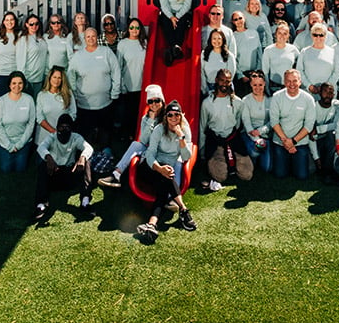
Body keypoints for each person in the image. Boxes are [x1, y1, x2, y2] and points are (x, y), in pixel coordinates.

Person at [136, 101, 197, 243]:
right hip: (150, 166)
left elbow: (186, 156)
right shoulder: (159, 129)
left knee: (164, 186)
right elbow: (150, 153)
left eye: (177, 115)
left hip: (166, 170)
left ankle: (151, 224)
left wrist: (181, 137)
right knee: (167, 176)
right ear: (166, 117)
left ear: (181, 116)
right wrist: (159, 168)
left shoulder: (184, 130)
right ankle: (183, 210)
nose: (174, 118)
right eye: (170, 115)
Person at [100, 83, 166, 189]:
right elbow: (143, 140)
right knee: (136, 144)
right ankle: (116, 174)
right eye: (150, 101)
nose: (154, 104)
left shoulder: (169, 116)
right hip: (150, 148)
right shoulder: (146, 118)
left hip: (164, 150)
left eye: (157, 100)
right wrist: (151, 121)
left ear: (162, 101)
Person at [200, 69, 254, 190]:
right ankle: (221, 164)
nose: (224, 84)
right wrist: (202, 152)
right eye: (222, 80)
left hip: (233, 139)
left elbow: (239, 123)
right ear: (216, 81)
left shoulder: (237, 102)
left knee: (247, 175)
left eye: (228, 81)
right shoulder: (207, 103)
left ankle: (234, 164)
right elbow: (203, 127)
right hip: (215, 140)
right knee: (220, 176)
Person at [67, 27, 120, 150]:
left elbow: (116, 71)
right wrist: (74, 93)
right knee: (86, 134)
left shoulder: (106, 52)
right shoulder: (78, 56)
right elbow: (71, 76)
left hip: (105, 102)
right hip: (84, 104)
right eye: (88, 36)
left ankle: (106, 152)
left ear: (97, 37)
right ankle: (86, 155)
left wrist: (115, 92)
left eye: (93, 36)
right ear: (84, 39)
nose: (91, 39)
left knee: (105, 131)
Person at [270, 69, 317, 179]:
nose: (292, 84)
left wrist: (293, 141)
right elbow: (274, 122)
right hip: (281, 141)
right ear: (284, 82)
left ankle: (302, 158)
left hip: (299, 142)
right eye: (288, 81)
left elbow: (309, 125)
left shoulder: (308, 99)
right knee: (280, 174)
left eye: (295, 81)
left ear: (300, 82)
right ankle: (289, 159)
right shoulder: (277, 96)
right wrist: (286, 142)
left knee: (302, 176)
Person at [0, 71, 36, 173]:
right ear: (9, 84)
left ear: (24, 84)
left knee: (20, 171)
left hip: (23, 143)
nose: (17, 86)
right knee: (6, 170)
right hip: (4, 143)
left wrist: (20, 144)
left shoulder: (29, 100)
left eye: (20, 83)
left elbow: (31, 124)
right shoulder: (1, 101)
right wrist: (9, 145)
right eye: (14, 83)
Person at [310, 81, 339, 182]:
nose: (328, 95)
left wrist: (317, 129)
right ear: (319, 93)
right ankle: (320, 164)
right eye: (325, 91)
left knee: (332, 134)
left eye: (331, 92)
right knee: (310, 169)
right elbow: (309, 134)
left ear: (334, 94)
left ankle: (327, 171)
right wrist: (316, 158)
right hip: (315, 142)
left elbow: (338, 125)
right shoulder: (313, 107)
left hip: (330, 140)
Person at [157, 0, 195, 65]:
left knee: (182, 23)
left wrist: (176, 17)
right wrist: (171, 17)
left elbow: (187, 5)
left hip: (182, 12)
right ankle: (176, 47)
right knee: (165, 21)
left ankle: (171, 49)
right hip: (168, 12)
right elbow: (164, 4)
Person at [0, 11, 23, 96]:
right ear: (3, 22)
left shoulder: (20, 35)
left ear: (15, 21)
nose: (9, 22)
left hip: (15, 74)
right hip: (0, 74)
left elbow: (22, 56)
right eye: (7, 20)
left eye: (12, 20)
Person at [201, 29, 236, 96]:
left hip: (225, 88)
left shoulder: (229, 56)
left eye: (219, 38)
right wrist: (205, 89)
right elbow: (201, 73)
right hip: (209, 87)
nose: (216, 41)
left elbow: (231, 74)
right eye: (214, 38)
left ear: (223, 40)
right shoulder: (204, 54)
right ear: (210, 40)